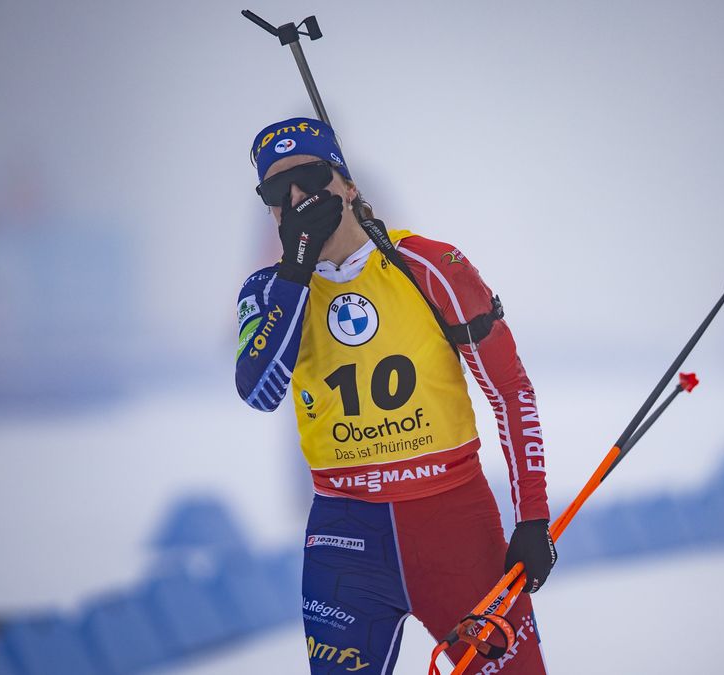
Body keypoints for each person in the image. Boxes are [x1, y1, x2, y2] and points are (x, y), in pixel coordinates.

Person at [235, 117, 555, 674]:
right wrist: (298, 266)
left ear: (349, 184)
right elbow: (259, 390)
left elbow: (510, 392)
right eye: (275, 192)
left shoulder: (428, 265)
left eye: (310, 176)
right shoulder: (270, 292)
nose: (296, 197)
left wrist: (532, 517)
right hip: (345, 537)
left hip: (454, 527)